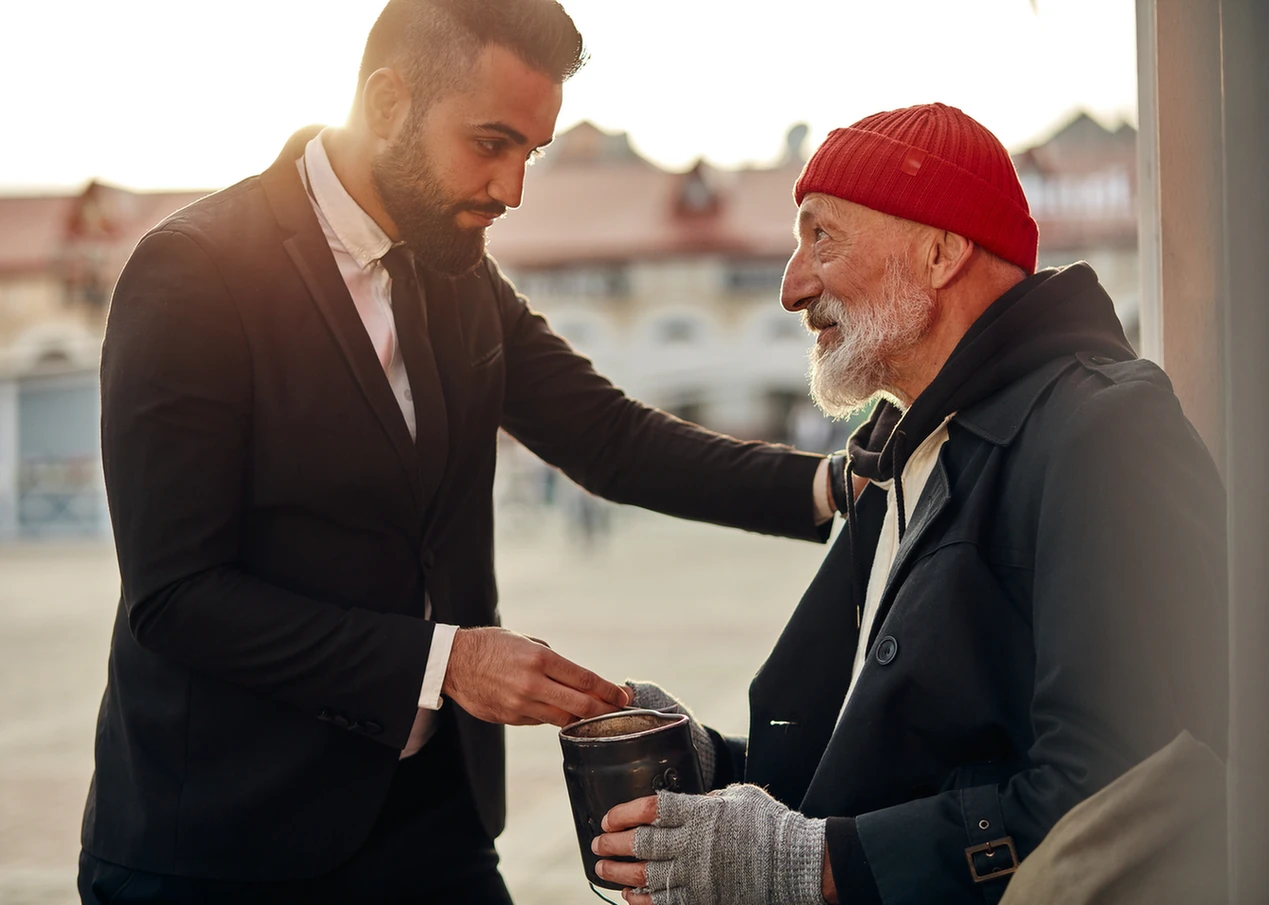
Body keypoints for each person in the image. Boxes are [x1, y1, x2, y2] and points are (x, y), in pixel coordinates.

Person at [77, 2, 840, 902]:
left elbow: (609, 436)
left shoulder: (458, 272)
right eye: (490, 143)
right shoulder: (194, 272)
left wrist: (831, 484)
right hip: (223, 838)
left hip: (431, 820)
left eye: (531, 153)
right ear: (387, 102)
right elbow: (176, 597)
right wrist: (447, 662)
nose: (511, 189)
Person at [593, 103, 1227, 905]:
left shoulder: (1103, 430)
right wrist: (708, 763)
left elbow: (1120, 791)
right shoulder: (905, 447)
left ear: (939, 252)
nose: (791, 286)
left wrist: (813, 865)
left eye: (821, 238)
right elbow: (880, 765)